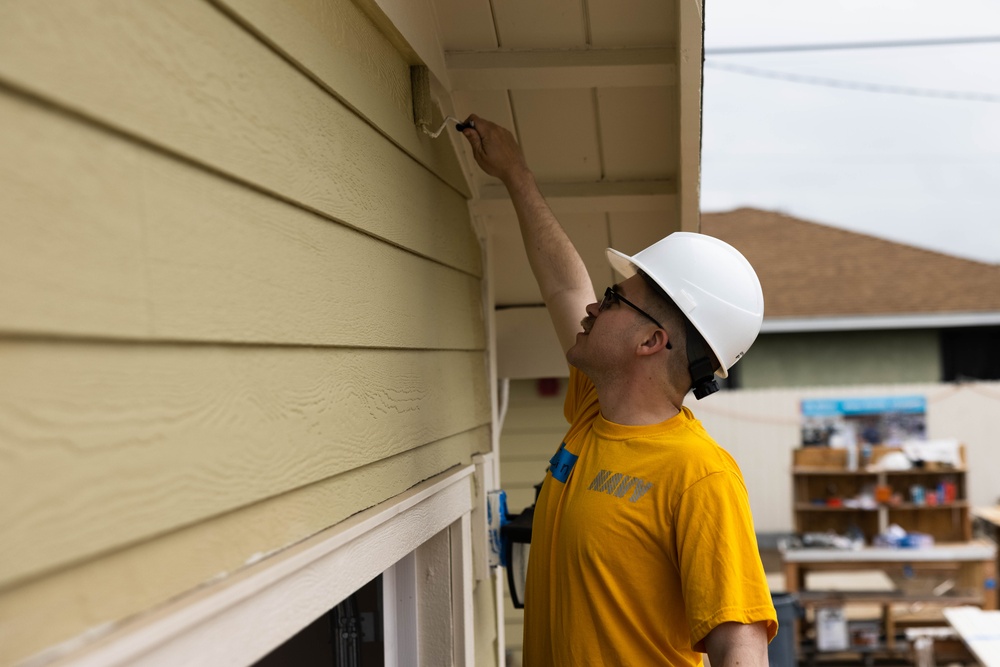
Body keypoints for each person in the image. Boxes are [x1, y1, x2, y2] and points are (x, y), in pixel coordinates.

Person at [460, 115, 778, 666]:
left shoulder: (699, 476)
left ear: (652, 340)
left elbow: (740, 647)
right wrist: (516, 176)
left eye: (611, 298)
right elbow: (564, 283)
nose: (593, 305)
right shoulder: (593, 412)